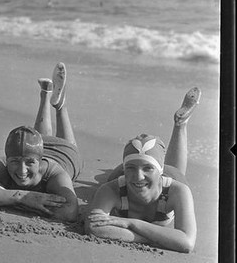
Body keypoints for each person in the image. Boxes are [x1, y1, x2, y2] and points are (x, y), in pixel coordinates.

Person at [84, 87, 201, 253]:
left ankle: (180, 125)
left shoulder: (178, 191)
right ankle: (142, 165)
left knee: (176, 172)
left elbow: (187, 243)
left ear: (160, 171)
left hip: (165, 183)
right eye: (130, 168)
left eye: (147, 168)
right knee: (102, 181)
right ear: (125, 168)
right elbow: (94, 227)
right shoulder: (112, 188)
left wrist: (131, 223)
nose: (138, 176)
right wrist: (159, 239)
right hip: (125, 178)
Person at [0, 62, 83, 222]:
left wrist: (4, 196)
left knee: (67, 144)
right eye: (14, 161)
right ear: (7, 159)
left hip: (65, 153)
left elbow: (70, 212)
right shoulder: (0, 165)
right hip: (36, 145)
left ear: (40, 163)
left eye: (29, 163)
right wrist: (21, 197)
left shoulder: (55, 174)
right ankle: (45, 94)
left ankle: (61, 106)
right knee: (38, 138)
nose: (22, 170)